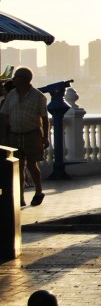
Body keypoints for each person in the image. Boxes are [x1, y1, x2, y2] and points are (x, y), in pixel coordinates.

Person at [0, 67, 49, 207]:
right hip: (15, 135)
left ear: (25, 79)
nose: (13, 79)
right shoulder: (11, 95)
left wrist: (45, 137)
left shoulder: (38, 96)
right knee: (18, 167)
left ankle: (38, 191)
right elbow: (4, 116)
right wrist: (4, 137)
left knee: (32, 165)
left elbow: (45, 119)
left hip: (32, 134)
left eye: (16, 77)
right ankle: (20, 196)